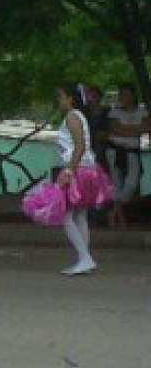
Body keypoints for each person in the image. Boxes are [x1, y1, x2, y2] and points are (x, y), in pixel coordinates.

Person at [52, 83, 112, 275]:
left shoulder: (72, 117)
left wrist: (69, 171)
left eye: (60, 96)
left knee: (66, 215)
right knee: (80, 215)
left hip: (77, 170)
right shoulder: (79, 116)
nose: (58, 100)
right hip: (85, 169)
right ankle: (84, 258)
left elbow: (79, 146)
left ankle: (85, 258)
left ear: (71, 98)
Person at [106, 84, 148, 230]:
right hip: (115, 150)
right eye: (122, 94)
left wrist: (126, 130)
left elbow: (146, 127)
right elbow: (114, 128)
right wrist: (135, 130)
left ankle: (115, 211)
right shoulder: (115, 111)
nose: (124, 97)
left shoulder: (141, 110)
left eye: (127, 94)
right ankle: (120, 218)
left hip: (132, 150)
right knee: (116, 184)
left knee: (131, 183)